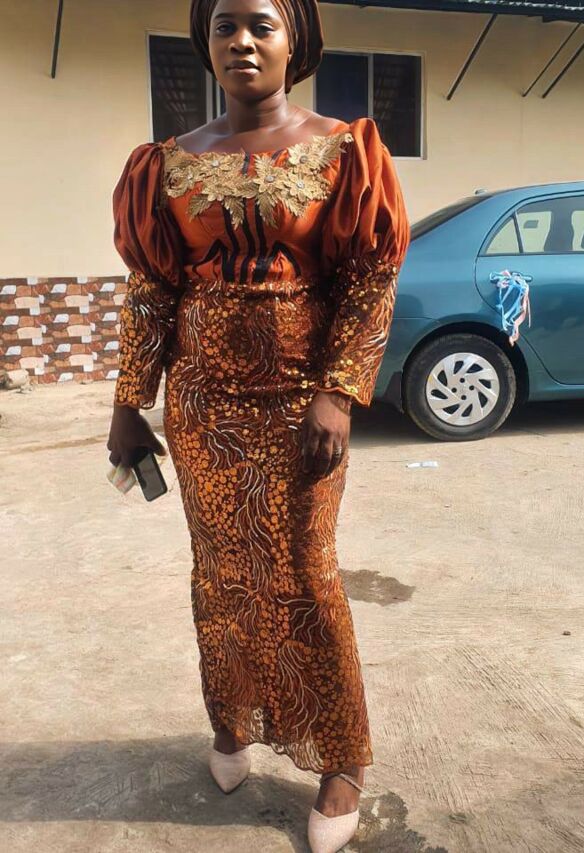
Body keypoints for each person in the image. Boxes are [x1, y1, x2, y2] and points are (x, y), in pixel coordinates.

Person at [106, 0, 409, 848]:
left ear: (295, 40)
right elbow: (152, 291)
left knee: (306, 571)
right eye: (224, 26)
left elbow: (369, 280)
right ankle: (234, 719)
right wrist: (129, 401)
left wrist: (339, 392)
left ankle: (341, 758)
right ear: (205, 43)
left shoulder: (344, 150)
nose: (241, 40)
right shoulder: (166, 164)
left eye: (261, 25)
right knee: (222, 574)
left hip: (301, 405)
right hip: (203, 408)